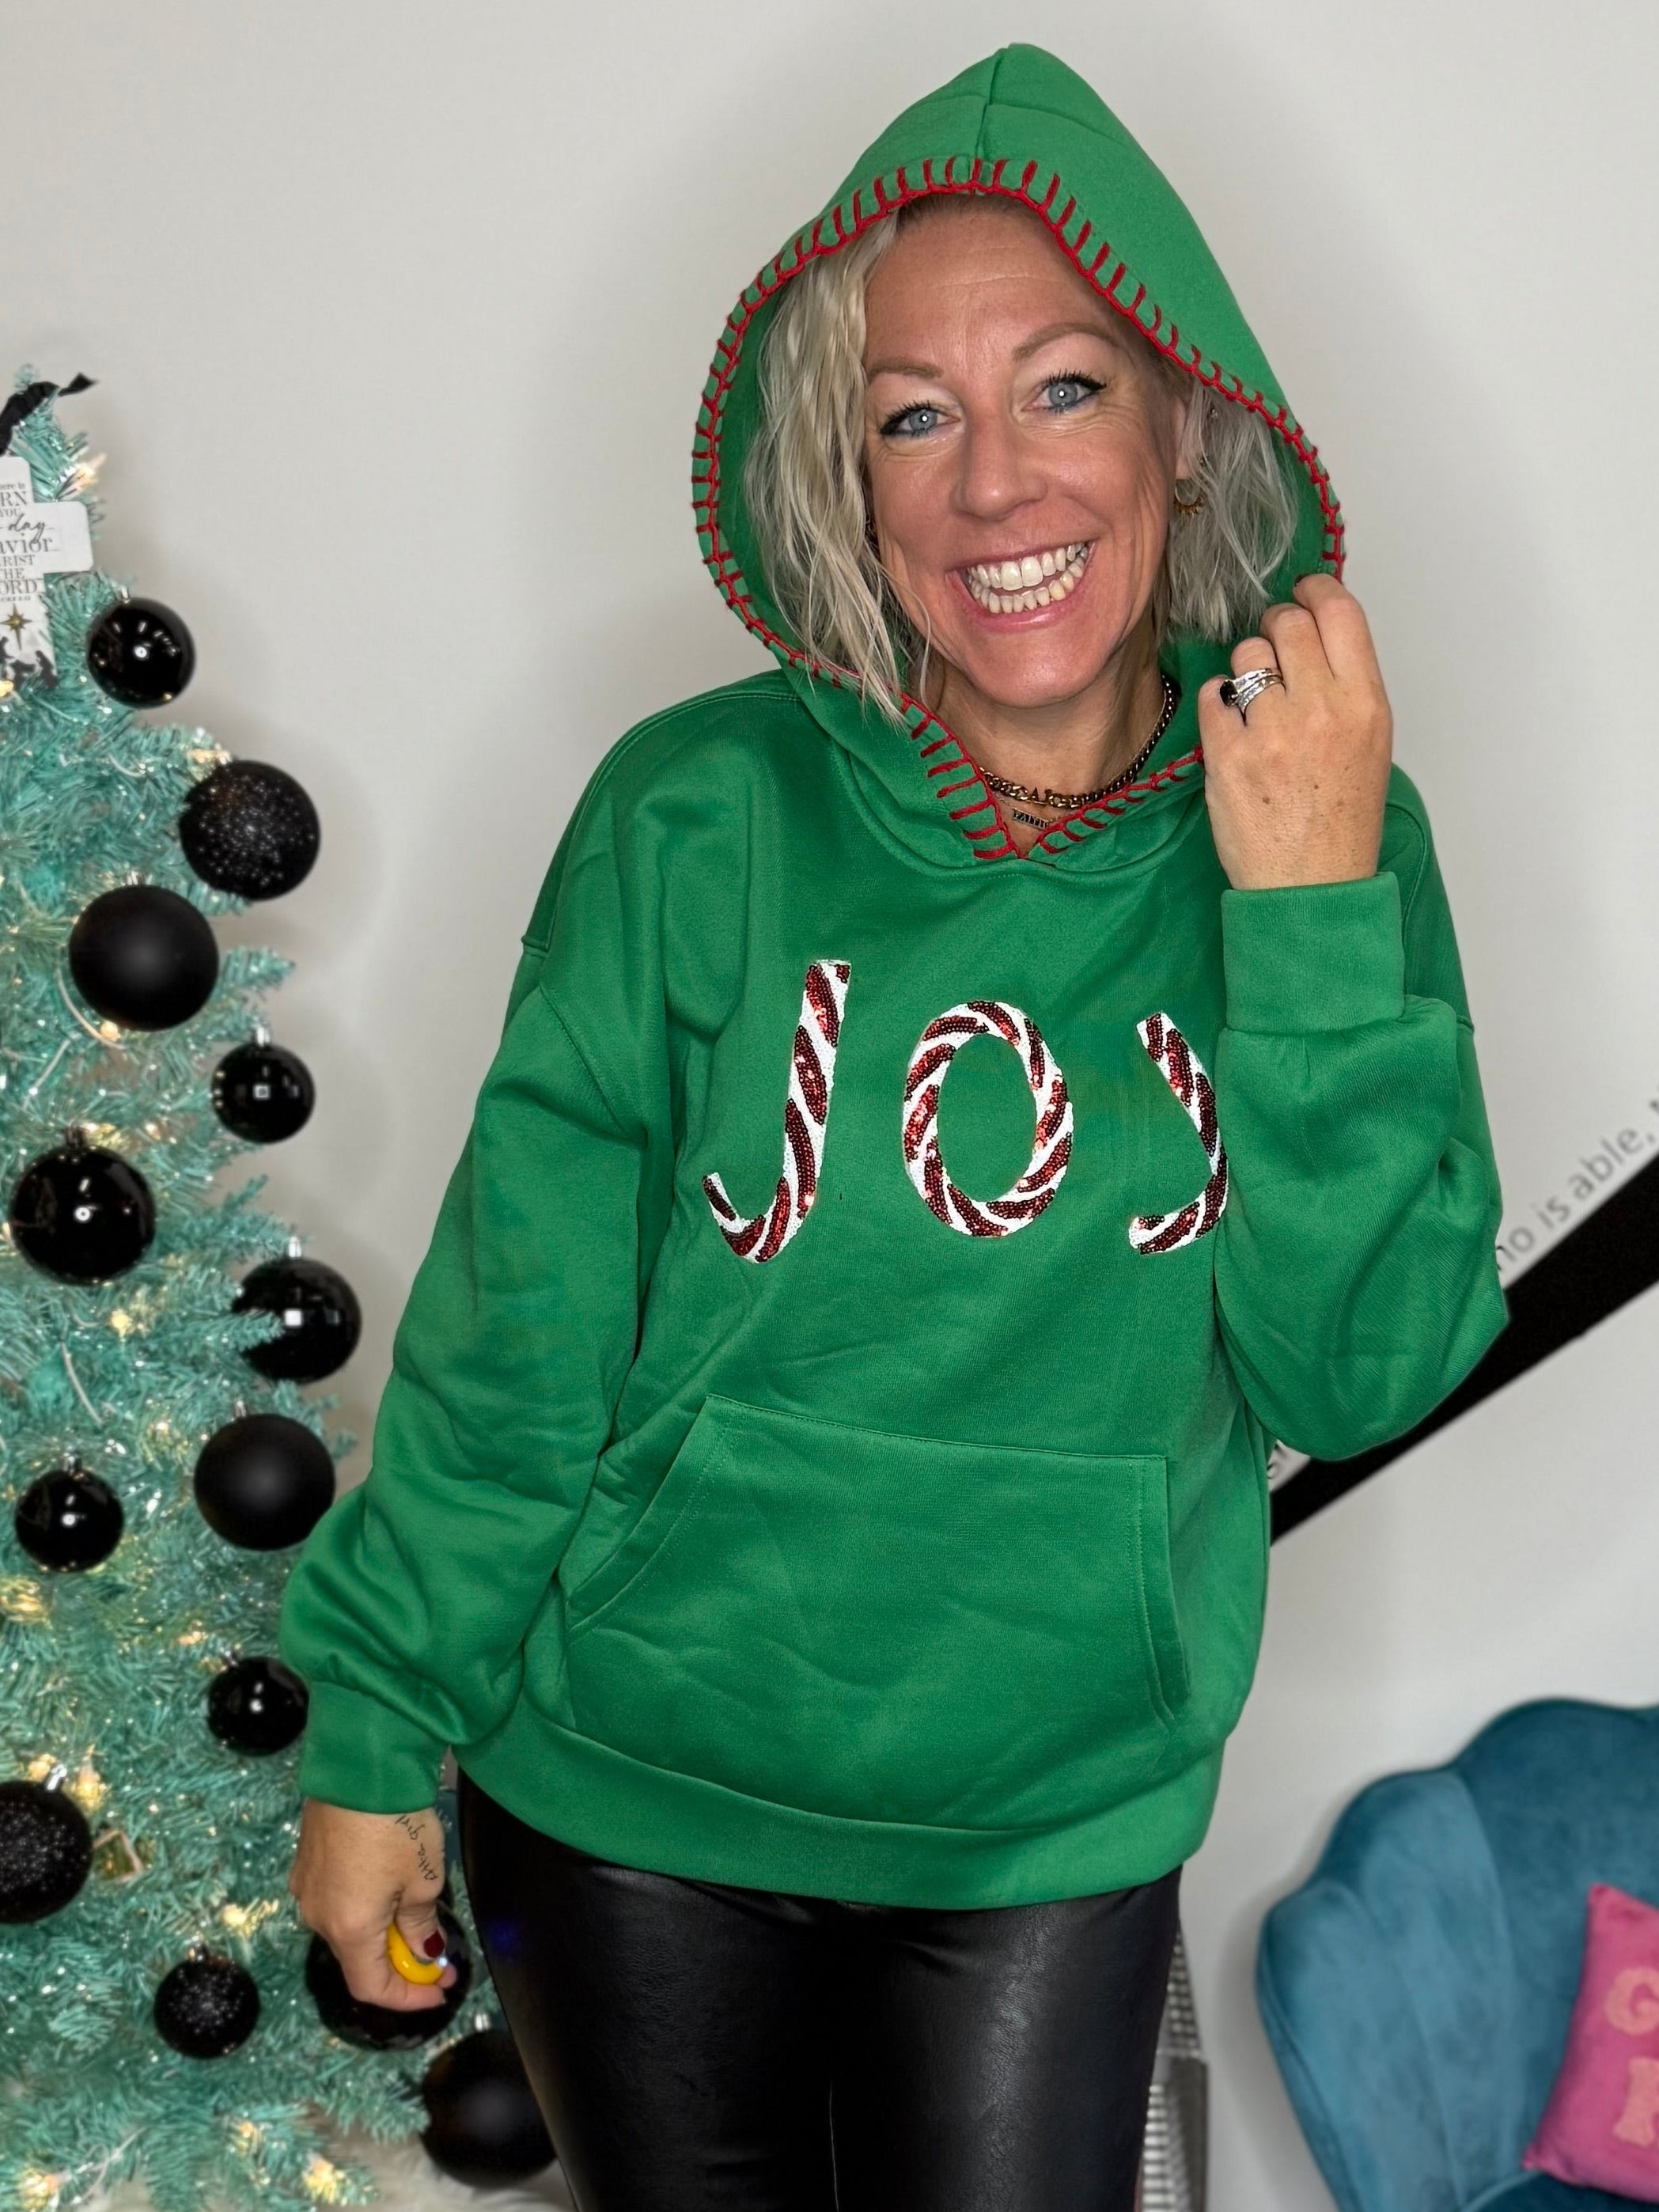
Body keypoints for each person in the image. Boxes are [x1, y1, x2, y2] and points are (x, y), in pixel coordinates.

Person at [279, 42, 1507, 2212]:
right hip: (625, 1794)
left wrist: (1306, 912)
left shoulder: (1321, 820)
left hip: (1048, 1816)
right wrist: (378, 1726)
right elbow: (520, 1326)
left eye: (1059, 390)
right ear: (839, 488)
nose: (993, 488)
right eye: (909, 419)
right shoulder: (699, 811)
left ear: (1178, 420)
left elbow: (1361, 1367)